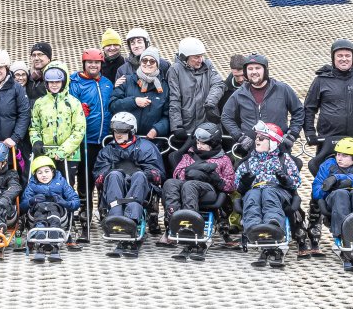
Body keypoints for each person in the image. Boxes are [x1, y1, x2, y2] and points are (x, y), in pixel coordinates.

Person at [28, 63, 86, 247]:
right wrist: (36, 142)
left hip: (67, 155)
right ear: (46, 83)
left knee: (65, 189)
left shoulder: (73, 102)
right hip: (46, 153)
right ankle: (41, 222)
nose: (54, 85)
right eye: (50, 82)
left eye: (57, 81)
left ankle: (67, 225)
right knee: (42, 187)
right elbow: (34, 126)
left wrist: (64, 150)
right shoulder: (39, 103)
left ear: (64, 81)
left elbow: (79, 129)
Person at [94, 112, 164, 259]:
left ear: (131, 131)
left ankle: (131, 220)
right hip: (116, 189)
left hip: (139, 189)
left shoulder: (146, 147)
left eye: (122, 131)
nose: (118, 135)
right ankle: (117, 217)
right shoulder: (107, 150)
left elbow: (158, 174)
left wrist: (147, 174)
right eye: (115, 131)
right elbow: (99, 177)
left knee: (139, 175)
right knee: (114, 174)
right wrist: (109, 174)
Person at [162, 122, 235, 258]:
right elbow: (177, 173)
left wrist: (215, 178)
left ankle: (191, 223)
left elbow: (230, 185)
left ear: (213, 143)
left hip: (209, 190)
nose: (199, 146)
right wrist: (190, 171)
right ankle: (174, 218)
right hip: (186, 185)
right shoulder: (189, 155)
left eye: (203, 143)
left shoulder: (223, 159)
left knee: (190, 185)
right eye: (198, 142)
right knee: (170, 183)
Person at [234, 121, 301, 268]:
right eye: (257, 137)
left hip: (278, 191)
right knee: (252, 196)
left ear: (273, 142)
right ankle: (254, 227)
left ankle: (273, 225)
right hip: (255, 190)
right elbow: (237, 185)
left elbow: (296, 182)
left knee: (268, 194)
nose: (257, 140)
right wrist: (244, 183)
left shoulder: (284, 160)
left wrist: (285, 180)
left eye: (262, 138)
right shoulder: (248, 161)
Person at [310, 137, 353, 271]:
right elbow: (316, 192)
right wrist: (328, 186)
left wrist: (340, 178)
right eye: (338, 154)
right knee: (341, 193)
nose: (339, 158)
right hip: (336, 200)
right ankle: (344, 236)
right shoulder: (327, 165)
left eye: (344, 155)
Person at [303, 39, 353, 161]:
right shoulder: (321, 80)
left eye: (348, 56)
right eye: (339, 56)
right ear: (333, 58)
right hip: (327, 139)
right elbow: (309, 108)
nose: (344, 59)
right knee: (326, 175)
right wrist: (310, 133)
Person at [222, 54, 303, 156]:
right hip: (251, 151)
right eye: (250, 69)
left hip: (279, 149)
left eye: (257, 68)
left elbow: (299, 111)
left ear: (265, 70)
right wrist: (240, 137)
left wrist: (292, 134)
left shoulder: (282, 89)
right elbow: (226, 116)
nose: (254, 72)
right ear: (246, 72)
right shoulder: (239, 94)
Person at [69, 47, 115, 226]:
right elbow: (71, 105)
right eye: (90, 62)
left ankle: (104, 208)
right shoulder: (76, 83)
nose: (93, 65)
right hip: (85, 139)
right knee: (85, 176)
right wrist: (79, 110)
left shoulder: (107, 83)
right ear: (84, 64)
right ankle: (85, 208)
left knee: (103, 175)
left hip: (104, 139)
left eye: (97, 62)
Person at [21, 155, 80, 263]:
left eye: (46, 171)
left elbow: (75, 202)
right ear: (35, 175)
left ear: (52, 171)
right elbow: (23, 206)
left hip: (58, 213)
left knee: (52, 207)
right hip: (38, 213)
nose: (44, 175)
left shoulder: (61, 182)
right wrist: (32, 201)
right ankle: (40, 235)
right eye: (40, 173)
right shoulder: (32, 185)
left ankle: (54, 235)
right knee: (40, 208)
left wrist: (63, 202)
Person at [166, 37, 224, 138]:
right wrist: (177, 126)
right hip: (187, 126)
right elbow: (174, 99)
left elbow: (218, 84)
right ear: (185, 57)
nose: (200, 60)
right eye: (196, 57)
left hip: (208, 123)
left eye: (201, 56)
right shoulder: (175, 70)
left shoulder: (208, 65)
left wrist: (210, 103)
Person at [109, 47, 170, 139]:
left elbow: (168, 116)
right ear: (140, 63)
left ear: (157, 65)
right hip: (125, 138)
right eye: (144, 60)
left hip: (153, 140)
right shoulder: (126, 81)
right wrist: (134, 102)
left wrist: (156, 130)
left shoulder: (165, 86)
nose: (148, 64)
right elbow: (113, 105)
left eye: (152, 61)